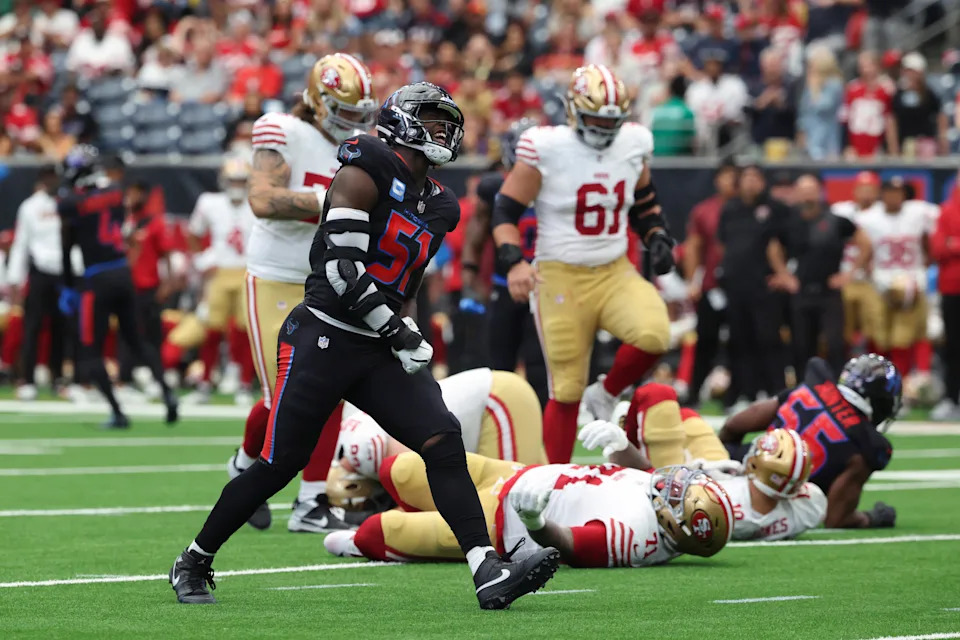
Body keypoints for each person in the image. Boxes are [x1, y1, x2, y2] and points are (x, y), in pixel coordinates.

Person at [170, 82, 561, 610]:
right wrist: (399, 333)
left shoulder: (441, 203)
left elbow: (409, 282)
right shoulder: (362, 169)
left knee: (442, 441)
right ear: (400, 121)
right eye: (431, 119)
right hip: (325, 333)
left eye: (448, 122)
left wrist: (408, 328)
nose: (443, 131)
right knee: (280, 463)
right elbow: (340, 269)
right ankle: (194, 560)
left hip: (378, 343)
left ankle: (487, 568)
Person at [492, 64, 674, 464]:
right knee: (567, 388)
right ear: (573, 110)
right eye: (595, 118)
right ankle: (551, 481)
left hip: (614, 269)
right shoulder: (546, 145)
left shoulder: (634, 142)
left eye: (612, 120)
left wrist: (656, 234)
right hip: (560, 275)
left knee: (656, 334)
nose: (603, 128)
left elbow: (643, 199)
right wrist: (514, 263)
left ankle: (606, 393)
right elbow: (505, 209)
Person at [232, 53, 378, 534]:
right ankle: (245, 462)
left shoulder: (362, 144)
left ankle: (311, 501)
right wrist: (330, 202)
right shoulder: (282, 131)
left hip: (328, 279)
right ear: (317, 101)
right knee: (286, 399)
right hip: (276, 273)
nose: (355, 121)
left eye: (361, 111)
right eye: (345, 110)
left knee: (332, 389)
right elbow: (262, 200)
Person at [325, 453, 733, 567]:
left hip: (503, 522)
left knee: (376, 534)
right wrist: (619, 446)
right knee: (401, 468)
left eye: (681, 497)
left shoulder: (640, 538)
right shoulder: (652, 495)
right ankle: (390, 498)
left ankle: (362, 535)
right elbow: (639, 473)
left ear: (676, 526)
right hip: (516, 474)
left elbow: (572, 545)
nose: (674, 486)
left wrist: (537, 524)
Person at [578, 392, 826, 541]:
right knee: (688, 418)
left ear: (755, 465)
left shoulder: (724, 504)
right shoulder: (810, 507)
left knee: (658, 399)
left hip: (696, 481)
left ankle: (624, 435)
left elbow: (660, 487)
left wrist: (623, 447)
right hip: (722, 475)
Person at [56, 145, 178, 428]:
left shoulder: (71, 202)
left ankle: (118, 412)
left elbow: (67, 246)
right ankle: (168, 393)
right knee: (137, 340)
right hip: (123, 274)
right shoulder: (115, 193)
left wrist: (67, 287)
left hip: (96, 278)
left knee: (89, 350)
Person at [719, 354, 900, 529]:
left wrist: (722, 458)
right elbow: (836, 518)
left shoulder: (814, 386)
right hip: (775, 505)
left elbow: (733, 426)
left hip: (731, 471)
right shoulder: (867, 444)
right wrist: (872, 518)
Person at [459, 118, 547, 408]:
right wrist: (469, 275)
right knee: (499, 365)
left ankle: (543, 433)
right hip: (504, 283)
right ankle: (502, 425)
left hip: (547, 285)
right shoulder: (494, 187)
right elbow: (476, 233)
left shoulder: (559, 186)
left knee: (540, 365)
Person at [337, 368, 548, 485]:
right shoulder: (352, 430)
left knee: (507, 510)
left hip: (497, 404)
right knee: (549, 492)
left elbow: (421, 473)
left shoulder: (362, 447)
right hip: (496, 398)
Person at [164, 157, 255, 405]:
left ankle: (244, 385)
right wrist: (202, 259)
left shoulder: (256, 203)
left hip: (248, 271)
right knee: (212, 330)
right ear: (223, 181)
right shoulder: (210, 202)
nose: (237, 185)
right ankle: (204, 383)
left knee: (245, 332)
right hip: (220, 272)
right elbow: (194, 233)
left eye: (241, 181)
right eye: (233, 181)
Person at [768, 173, 872, 375]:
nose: (807, 196)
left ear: (820, 193)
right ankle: (804, 393)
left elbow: (865, 245)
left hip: (829, 291)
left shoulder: (836, 220)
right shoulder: (789, 221)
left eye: (812, 191)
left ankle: (837, 393)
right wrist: (784, 275)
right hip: (801, 290)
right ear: (797, 194)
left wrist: (848, 274)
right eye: (803, 191)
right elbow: (774, 248)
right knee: (802, 346)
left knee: (835, 344)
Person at [717, 164, 791, 407]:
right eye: (746, 178)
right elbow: (724, 243)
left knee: (768, 339)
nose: (750, 183)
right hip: (736, 285)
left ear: (763, 181)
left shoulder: (776, 209)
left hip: (765, 286)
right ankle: (743, 393)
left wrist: (783, 273)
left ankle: (776, 392)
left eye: (755, 178)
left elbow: (785, 243)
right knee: (739, 340)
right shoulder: (730, 209)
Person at [6, 168, 74, 399]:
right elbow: (21, 243)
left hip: (64, 272)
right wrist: (15, 278)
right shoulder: (30, 206)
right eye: (50, 178)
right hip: (40, 271)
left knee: (61, 328)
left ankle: (58, 379)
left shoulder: (68, 202)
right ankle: (27, 380)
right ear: (43, 181)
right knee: (32, 327)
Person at [858, 178, 934, 377]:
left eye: (898, 193)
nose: (894, 197)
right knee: (879, 335)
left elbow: (929, 240)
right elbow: (862, 249)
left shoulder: (919, 212)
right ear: (882, 194)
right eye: (890, 192)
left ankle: (910, 380)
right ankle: (877, 380)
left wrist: (926, 264)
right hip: (880, 282)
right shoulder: (868, 218)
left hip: (912, 282)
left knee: (910, 335)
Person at [683, 162, 738, 407]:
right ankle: (695, 390)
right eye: (726, 177)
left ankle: (735, 393)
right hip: (712, 284)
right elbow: (694, 246)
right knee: (705, 339)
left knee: (741, 341)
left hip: (741, 286)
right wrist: (692, 280)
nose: (730, 182)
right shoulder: (705, 211)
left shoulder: (748, 209)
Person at [832, 171, 883, 353]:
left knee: (877, 330)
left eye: (871, 189)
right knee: (843, 328)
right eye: (862, 189)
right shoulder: (840, 211)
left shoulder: (884, 213)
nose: (866, 194)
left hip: (874, 280)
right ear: (854, 190)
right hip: (846, 277)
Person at [931, 174, 960, 420]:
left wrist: (954, 244)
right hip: (951, 288)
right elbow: (938, 248)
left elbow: (947, 245)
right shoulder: (946, 211)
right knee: (952, 346)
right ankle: (951, 398)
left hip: (951, 283)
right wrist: (949, 245)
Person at [889, 52, 948, 158]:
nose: (909, 74)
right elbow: (893, 119)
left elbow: (940, 116)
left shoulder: (929, 93)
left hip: (926, 142)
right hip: (906, 142)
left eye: (912, 71)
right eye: (907, 70)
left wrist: (942, 141)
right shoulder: (899, 94)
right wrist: (894, 146)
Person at [840, 51, 894, 159]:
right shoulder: (852, 89)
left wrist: (892, 149)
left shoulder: (886, 89)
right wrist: (846, 146)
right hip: (855, 147)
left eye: (870, 65)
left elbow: (889, 120)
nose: (866, 70)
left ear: (877, 67)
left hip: (877, 147)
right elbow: (845, 119)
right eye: (862, 66)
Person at [797, 44, 844, 160]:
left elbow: (824, 106)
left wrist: (815, 89)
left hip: (828, 138)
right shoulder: (811, 85)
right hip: (810, 136)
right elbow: (803, 110)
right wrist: (801, 130)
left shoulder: (834, 84)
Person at [650, 75, 695, 156]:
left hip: (657, 158)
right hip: (679, 160)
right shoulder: (687, 112)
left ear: (670, 91)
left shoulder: (656, 110)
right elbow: (693, 140)